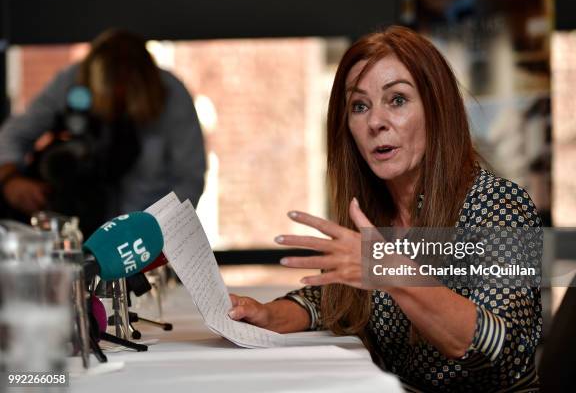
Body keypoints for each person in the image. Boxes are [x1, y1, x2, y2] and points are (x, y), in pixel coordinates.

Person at [227, 26, 542, 392]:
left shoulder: (500, 206)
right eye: (359, 106)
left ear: (436, 108)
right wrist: (269, 316)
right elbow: (333, 302)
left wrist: (390, 269)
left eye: (397, 100)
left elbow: (500, 349)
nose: (376, 122)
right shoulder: (376, 211)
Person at [0, 30, 206, 235]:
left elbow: (189, 179)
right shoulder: (72, 81)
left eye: (125, 92)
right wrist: (10, 179)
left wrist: (158, 235)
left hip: (145, 233)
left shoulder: (171, 94)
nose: (117, 96)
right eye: (108, 93)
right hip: (75, 226)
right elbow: (13, 135)